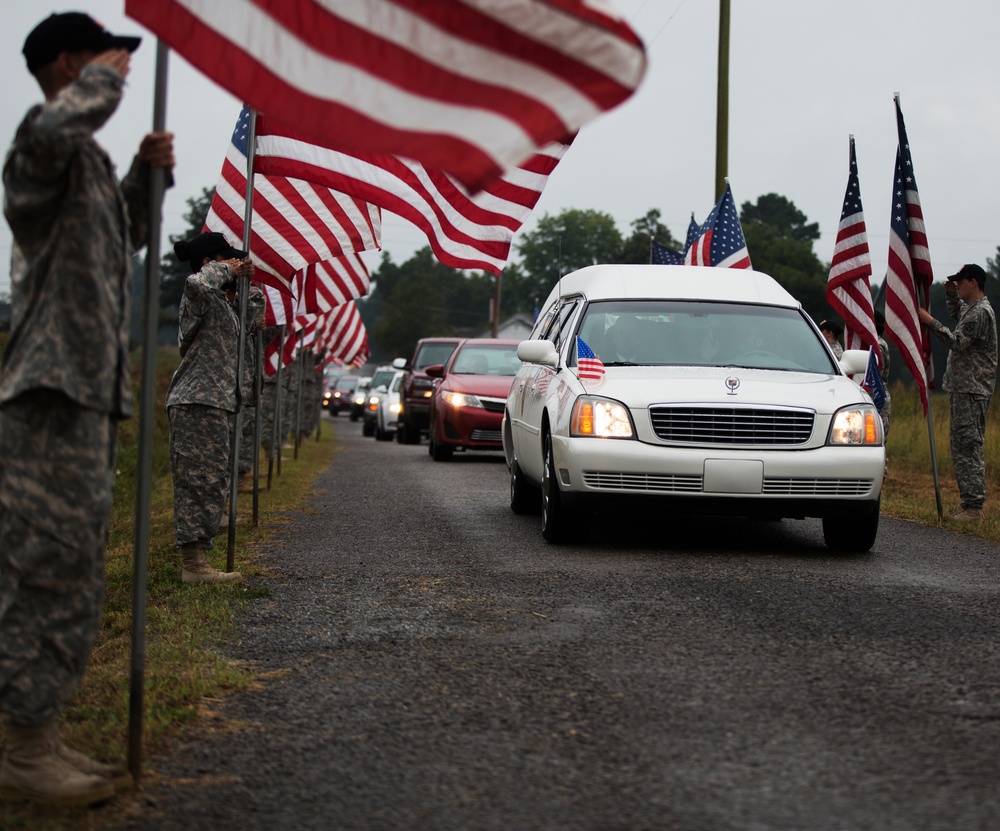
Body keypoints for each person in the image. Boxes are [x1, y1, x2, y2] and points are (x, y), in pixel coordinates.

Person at [0, 12, 173, 807]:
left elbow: (122, 238)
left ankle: (39, 733)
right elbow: (66, 122)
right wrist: (104, 81)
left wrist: (145, 178)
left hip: (85, 392)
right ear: (67, 63)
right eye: (106, 59)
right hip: (48, 393)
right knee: (40, 567)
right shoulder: (42, 141)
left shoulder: (88, 163)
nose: (123, 72)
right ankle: (20, 746)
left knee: (69, 567)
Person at [166, 232, 261, 582]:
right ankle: (193, 565)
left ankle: (199, 559)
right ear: (210, 262)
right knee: (198, 481)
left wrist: (247, 285)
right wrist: (224, 270)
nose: (235, 263)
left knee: (212, 480)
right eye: (227, 259)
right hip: (195, 400)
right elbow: (196, 284)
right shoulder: (199, 295)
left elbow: (251, 323)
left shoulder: (220, 301)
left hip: (214, 402)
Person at [918, 263, 998, 524]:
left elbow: (957, 341)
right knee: (961, 446)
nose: (958, 285)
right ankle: (969, 505)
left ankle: (973, 509)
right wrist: (951, 294)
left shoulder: (981, 312)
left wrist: (930, 322)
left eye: (961, 282)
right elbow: (958, 314)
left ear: (973, 282)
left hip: (972, 389)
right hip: (964, 388)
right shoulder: (972, 309)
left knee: (969, 447)